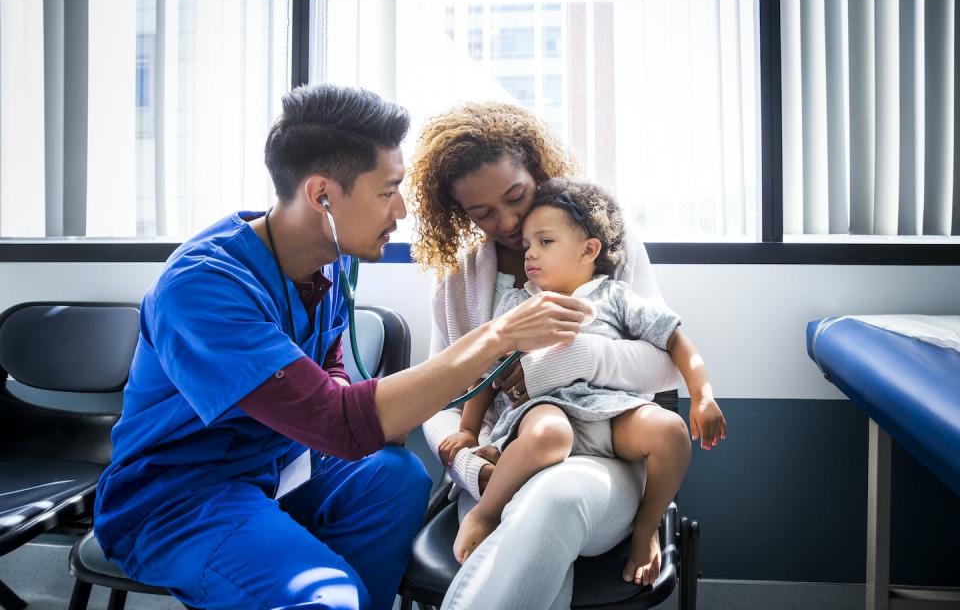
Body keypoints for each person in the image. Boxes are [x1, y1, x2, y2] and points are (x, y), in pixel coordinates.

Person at [93, 85, 591, 610]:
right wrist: (498, 336)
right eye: (388, 191)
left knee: (396, 478)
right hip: (181, 496)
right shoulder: (202, 289)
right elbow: (339, 425)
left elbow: (329, 365)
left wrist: (340, 393)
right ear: (322, 196)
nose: (401, 210)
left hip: (280, 465)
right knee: (330, 597)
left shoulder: (333, 255)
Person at [409, 102, 697, 610]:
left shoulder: (606, 247)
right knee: (540, 536)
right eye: (482, 213)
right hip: (502, 463)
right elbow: (443, 399)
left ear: (536, 170)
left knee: (558, 498)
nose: (507, 221)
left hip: (603, 455)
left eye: (515, 196)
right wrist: (472, 468)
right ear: (460, 214)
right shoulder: (458, 281)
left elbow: (665, 364)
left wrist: (571, 358)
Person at [448, 178, 728, 584]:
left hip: (610, 415)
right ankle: (485, 513)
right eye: (527, 246)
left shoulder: (615, 297)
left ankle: (646, 529)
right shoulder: (519, 303)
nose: (530, 254)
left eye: (545, 242)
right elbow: (489, 373)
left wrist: (703, 395)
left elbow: (676, 340)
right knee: (550, 434)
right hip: (544, 412)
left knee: (670, 431)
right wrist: (468, 431)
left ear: (589, 249)